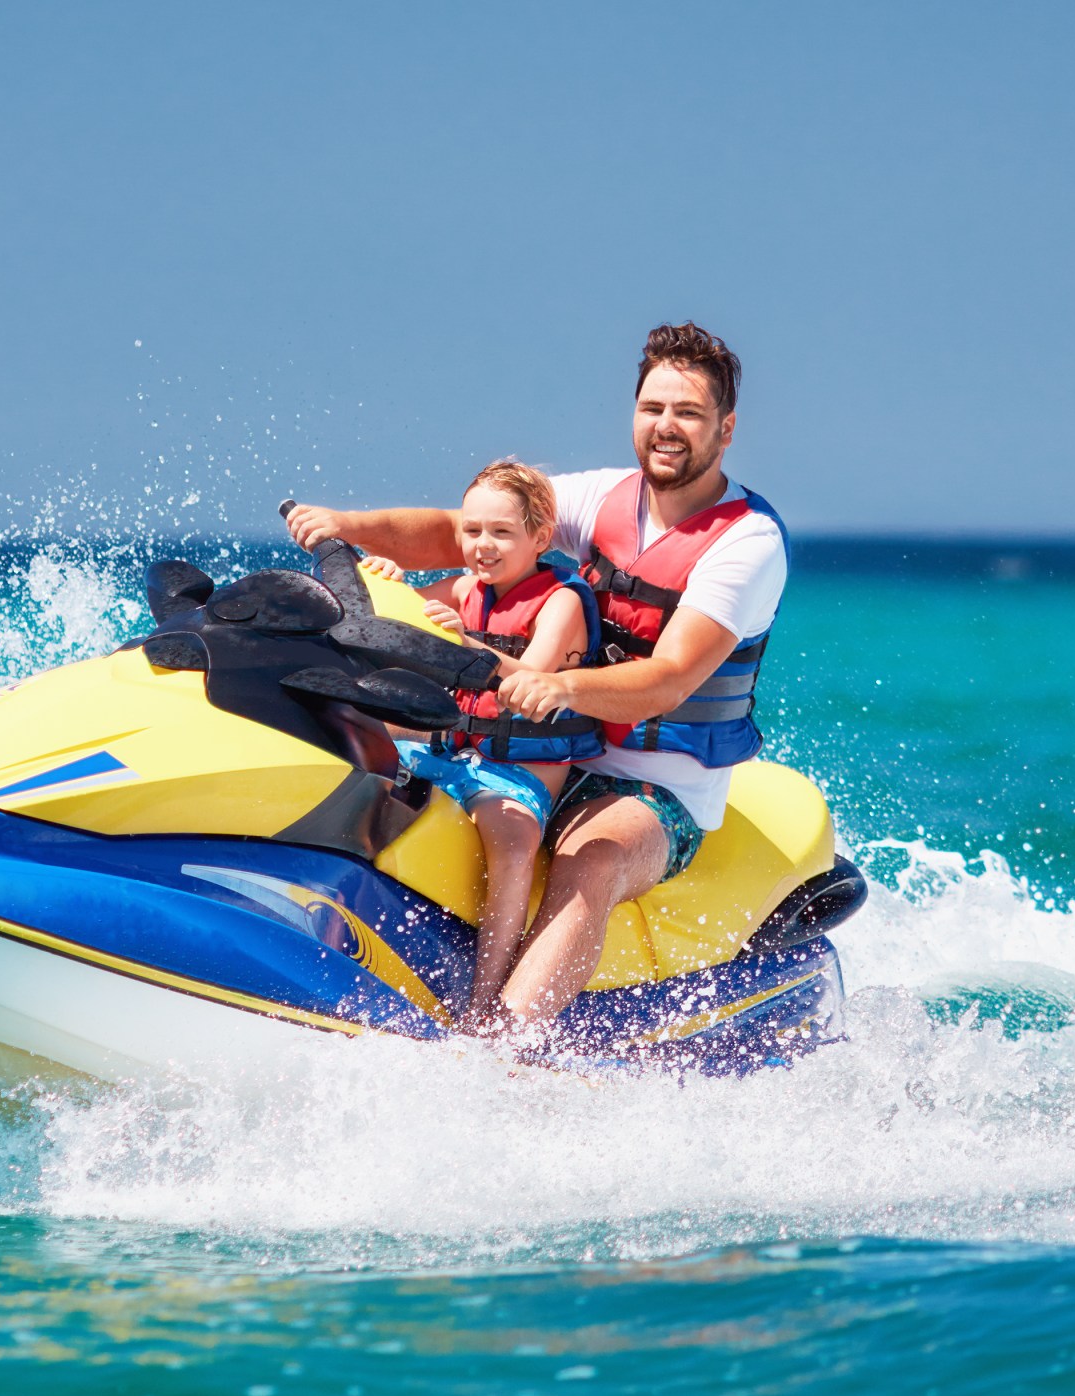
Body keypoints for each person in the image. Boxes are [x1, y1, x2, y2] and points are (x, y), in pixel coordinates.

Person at [285, 322, 787, 1035]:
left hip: (653, 779)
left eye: (688, 413)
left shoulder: (747, 542)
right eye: (653, 409)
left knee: (589, 860)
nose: (666, 427)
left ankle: (504, 1048)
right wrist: (347, 525)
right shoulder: (599, 498)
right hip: (538, 745)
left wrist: (562, 687)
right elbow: (460, 527)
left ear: (725, 429)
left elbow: (671, 678)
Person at [356, 460, 598, 1027]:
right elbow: (391, 618)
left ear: (540, 537)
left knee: (512, 839)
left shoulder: (561, 600)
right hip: (447, 753)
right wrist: (386, 580)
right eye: (471, 531)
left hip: (517, 773)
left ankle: (485, 1002)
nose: (482, 546)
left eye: (501, 533)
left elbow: (528, 683)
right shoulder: (465, 587)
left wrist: (462, 642)